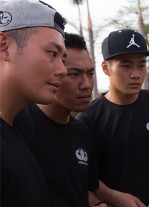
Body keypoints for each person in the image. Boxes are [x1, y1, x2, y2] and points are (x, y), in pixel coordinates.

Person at [77, 29, 149, 207]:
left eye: (141, 65)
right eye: (126, 65)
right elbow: (86, 178)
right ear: (106, 68)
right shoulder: (88, 118)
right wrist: (115, 197)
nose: (136, 74)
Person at [13, 33, 110, 207]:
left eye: (90, 73)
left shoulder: (83, 134)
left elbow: (83, 191)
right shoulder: (16, 125)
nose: (86, 84)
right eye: (74, 74)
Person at [0, 1, 66, 206]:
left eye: (63, 58)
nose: (63, 70)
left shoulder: (17, 130)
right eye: (52, 54)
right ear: (4, 47)